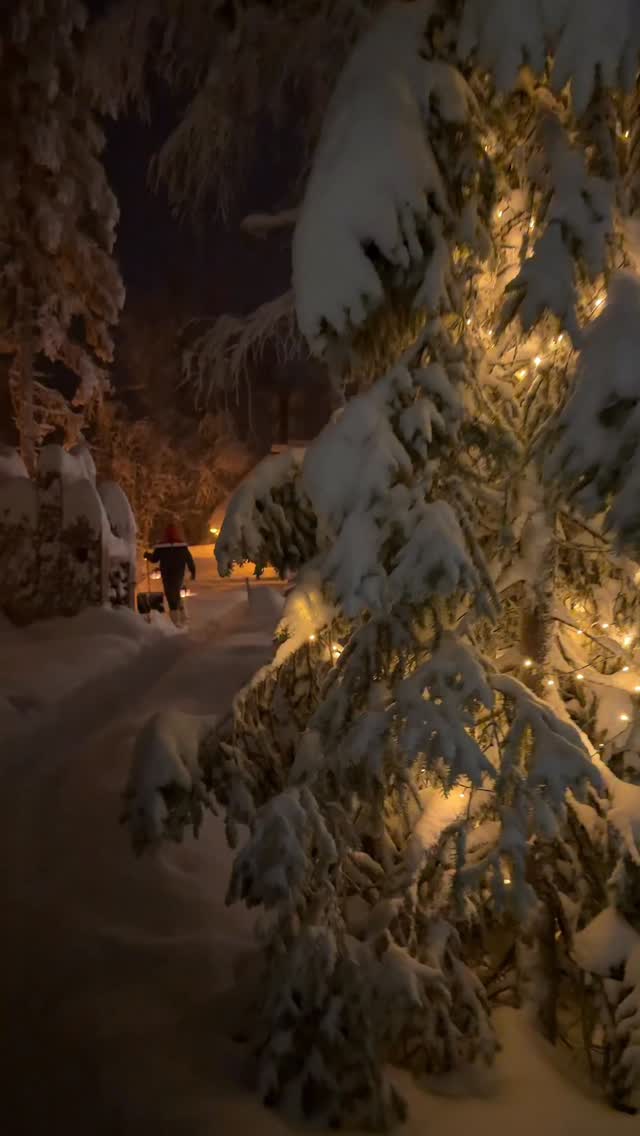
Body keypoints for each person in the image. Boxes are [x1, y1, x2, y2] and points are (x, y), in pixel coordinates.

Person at [144, 523, 196, 627]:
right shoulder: (182, 547)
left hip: (167, 576)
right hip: (179, 575)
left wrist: (146, 555)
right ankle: (183, 618)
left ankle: (176, 622)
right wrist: (193, 572)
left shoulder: (162, 547)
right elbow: (190, 561)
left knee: (171, 597)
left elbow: (154, 559)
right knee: (176, 594)